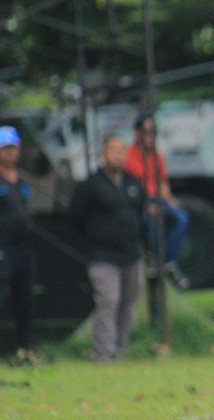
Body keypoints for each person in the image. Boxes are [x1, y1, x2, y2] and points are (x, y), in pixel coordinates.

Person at [69, 136, 146, 363]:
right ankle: (103, 354)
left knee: (128, 305)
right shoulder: (91, 184)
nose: (118, 155)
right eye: (113, 150)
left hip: (131, 254)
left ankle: (119, 352)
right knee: (108, 302)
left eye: (122, 151)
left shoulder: (133, 182)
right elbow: (76, 217)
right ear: (103, 154)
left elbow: (139, 212)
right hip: (103, 255)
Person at [124, 113, 190, 290]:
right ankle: (155, 260)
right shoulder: (128, 155)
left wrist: (167, 198)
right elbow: (129, 185)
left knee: (181, 218)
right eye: (146, 132)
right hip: (139, 200)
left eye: (154, 132)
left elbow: (162, 181)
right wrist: (146, 204)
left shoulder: (157, 156)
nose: (150, 136)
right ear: (137, 133)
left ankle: (168, 262)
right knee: (150, 221)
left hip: (158, 198)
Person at [0, 126, 39, 364]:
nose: (10, 153)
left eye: (13, 148)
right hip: (3, 249)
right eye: (5, 149)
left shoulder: (21, 180)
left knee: (26, 300)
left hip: (23, 249)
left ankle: (27, 349)